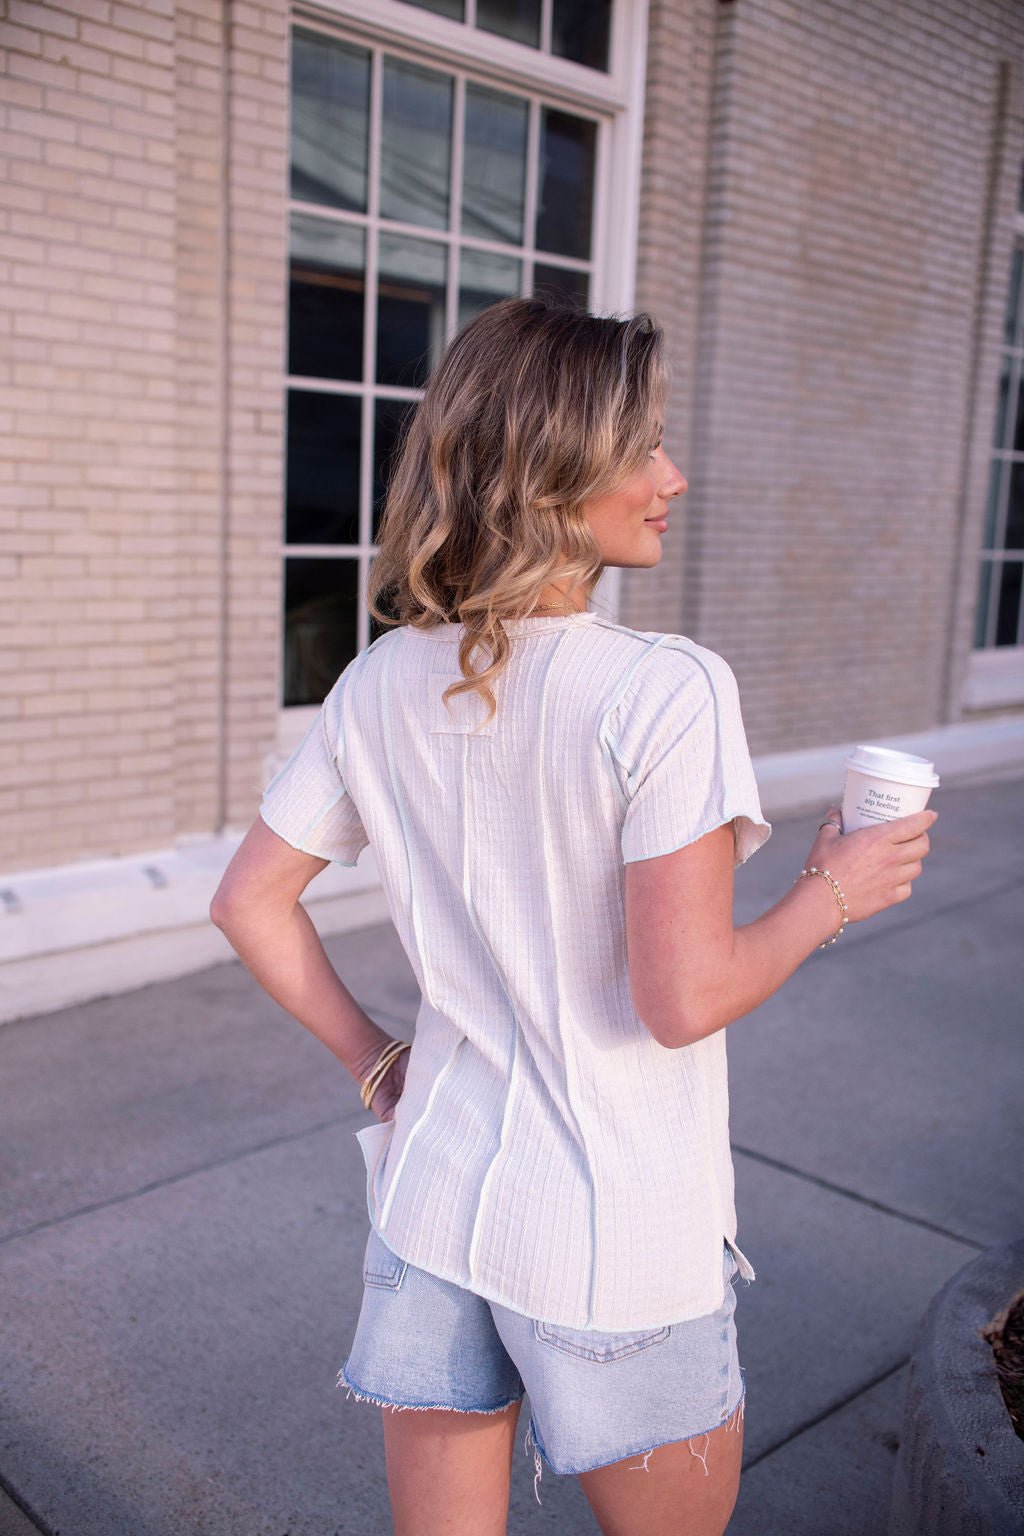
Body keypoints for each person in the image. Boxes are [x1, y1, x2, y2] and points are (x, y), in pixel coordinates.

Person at [210, 297, 936, 1536]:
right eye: (644, 447)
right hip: (614, 1237)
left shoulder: (380, 677)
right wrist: (835, 891)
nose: (673, 476)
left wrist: (376, 1060)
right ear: (554, 473)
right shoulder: (664, 691)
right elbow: (684, 998)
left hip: (432, 1200)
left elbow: (247, 903)